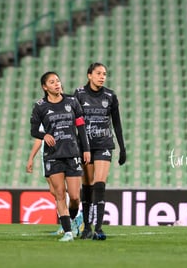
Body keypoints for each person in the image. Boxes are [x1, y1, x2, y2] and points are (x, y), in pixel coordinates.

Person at [30, 71, 90, 242]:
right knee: (60, 195)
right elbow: (33, 130)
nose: (57, 83)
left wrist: (85, 149)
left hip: (72, 153)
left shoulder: (72, 101)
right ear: (45, 87)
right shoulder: (40, 106)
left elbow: (81, 127)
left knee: (75, 197)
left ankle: (74, 220)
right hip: (53, 156)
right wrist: (44, 136)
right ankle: (68, 233)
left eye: (57, 80)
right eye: (52, 82)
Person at [74, 62, 126, 240]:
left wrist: (122, 147)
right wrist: (81, 147)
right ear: (89, 75)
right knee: (87, 186)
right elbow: (77, 122)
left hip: (104, 144)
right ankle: (86, 227)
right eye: (98, 73)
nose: (102, 76)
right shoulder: (79, 94)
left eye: (104, 73)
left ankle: (99, 228)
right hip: (85, 146)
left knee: (99, 184)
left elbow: (117, 123)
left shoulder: (110, 96)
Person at [26, 124, 83, 235]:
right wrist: (32, 157)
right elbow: (40, 137)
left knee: (60, 192)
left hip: (57, 154)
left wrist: (31, 157)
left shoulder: (49, 112)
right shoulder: (43, 113)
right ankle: (69, 221)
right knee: (54, 191)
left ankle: (75, 218)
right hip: (46, 155)